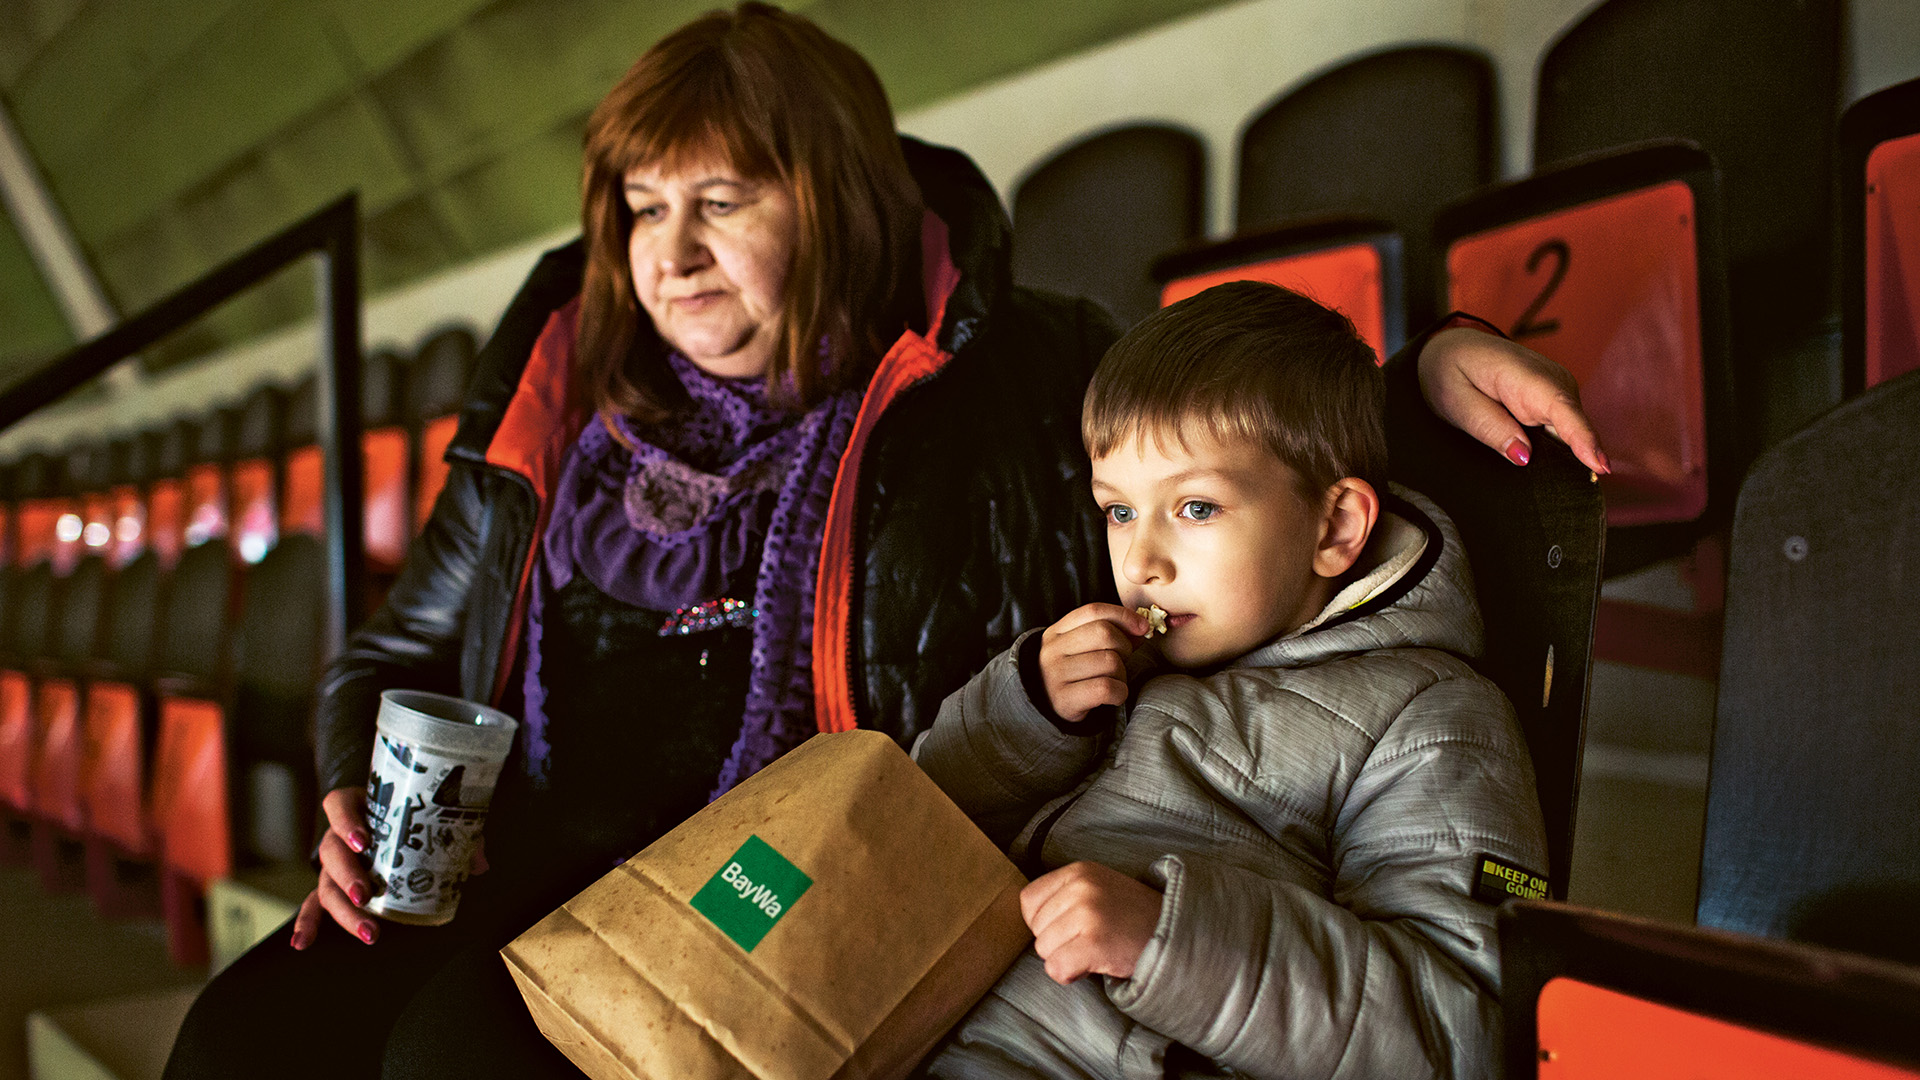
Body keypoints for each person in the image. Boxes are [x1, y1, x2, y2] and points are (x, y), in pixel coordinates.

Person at [164, 6, 1603, 1079]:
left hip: (787, 881)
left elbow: (1224, 457)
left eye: (722, 204)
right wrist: (362, 793)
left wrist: (1418, 375)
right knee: (242, 1041)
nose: (667, 260)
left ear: (839, 200)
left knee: (452, 1064)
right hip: (518, 856)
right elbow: (407, 648)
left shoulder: (1013, 373)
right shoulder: (559, 381)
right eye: (643, 211)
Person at [913, 281, 1549, 1080]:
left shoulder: (1432, 717)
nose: (1140, 562)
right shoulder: (1129, 660)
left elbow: (1465, 1031)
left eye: (1197, 509)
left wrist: (1168, 942)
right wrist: (1025, 710)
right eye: (1118, 512)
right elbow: (918, 809)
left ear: (1335, 528)